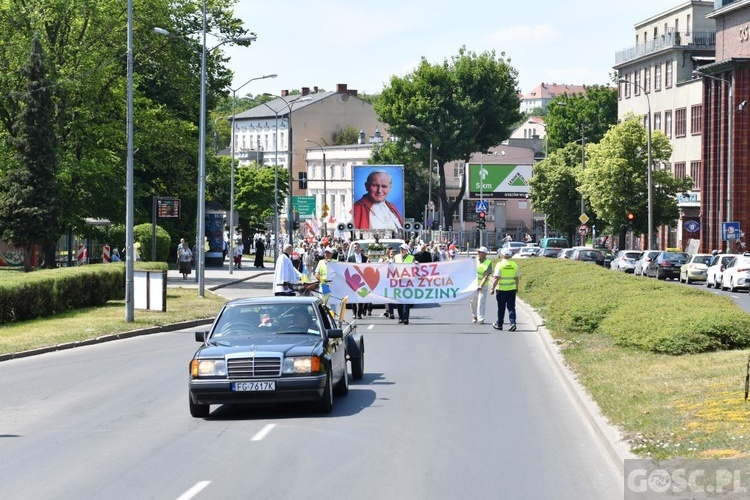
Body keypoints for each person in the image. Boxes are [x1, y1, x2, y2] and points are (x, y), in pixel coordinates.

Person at [491, 248, 520, 331]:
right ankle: (513, 323)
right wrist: (516, 288)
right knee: (511, 307)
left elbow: (496, 278)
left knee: (501, 308)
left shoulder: (499, 265)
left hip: (501, 290)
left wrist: (492, 288)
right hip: (511, 289)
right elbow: (517, 278)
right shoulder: (514, 264)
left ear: (502, 255)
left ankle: (499, 324)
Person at [347, 242, 371, 319]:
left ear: (360, 247)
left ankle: (359, 313)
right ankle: (354, 312)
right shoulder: (350, 258)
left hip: (362, 280)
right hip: (353, 280)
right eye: (354, 247)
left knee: (361, 296)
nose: (356, 248)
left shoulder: (364, 258)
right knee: (353, 297)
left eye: (357, 247)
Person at [470, 246, 493, 324]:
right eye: (478, 252)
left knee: (481, 302)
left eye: (480, 252)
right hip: (474, 284)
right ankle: (474, 316)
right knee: (473, 301)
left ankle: (481, 318)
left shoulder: (488, 263)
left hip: (483, 285)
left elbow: (486, 276)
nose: (478, 253)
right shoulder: (475, 260)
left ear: (484, 254)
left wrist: (481, 285)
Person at [394, 243, 415, 325]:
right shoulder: (396, 257)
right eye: (400, 249)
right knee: (399, 300)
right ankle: (400, 317)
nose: (401, 250)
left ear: (406, 250)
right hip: (398, 281)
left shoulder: (411, 257)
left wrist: (416, 263)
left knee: (406, 300)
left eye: (403, 249)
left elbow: (415, 267)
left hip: (407, 281)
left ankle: (406, 318)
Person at [381, 247, 397, 319]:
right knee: (388, 297)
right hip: (387, 281)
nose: (392, 255)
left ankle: (392, 311)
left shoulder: (397, 260)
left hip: (396, 281)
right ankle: (390, 312)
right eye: (391, 254)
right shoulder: (385, 259)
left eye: (394, 254)